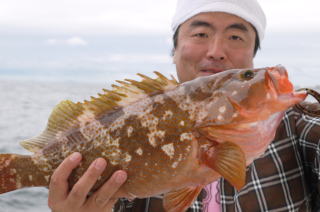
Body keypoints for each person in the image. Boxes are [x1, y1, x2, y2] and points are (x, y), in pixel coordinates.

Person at [47, 0, 320, 211]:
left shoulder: (300, 126)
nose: (216, 50)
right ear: (175, 49)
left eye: (236, 37)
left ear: (253, 55)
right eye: (200, 33)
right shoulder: (134, 118)